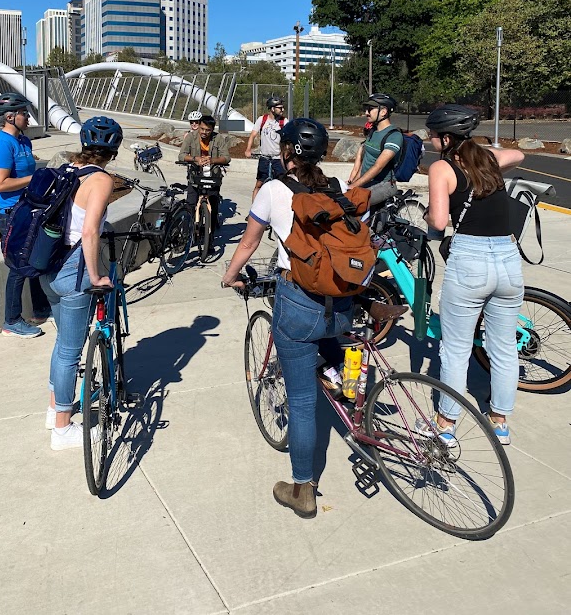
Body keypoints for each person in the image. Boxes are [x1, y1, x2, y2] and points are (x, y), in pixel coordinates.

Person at [221, 117, 402, 518]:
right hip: (341, 301)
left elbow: (249, 242)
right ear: (321, 154)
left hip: (298, 298)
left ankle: (302, 487)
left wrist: (230, 276)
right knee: (333, 343)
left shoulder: (272, 189)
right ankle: (349, 387)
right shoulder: (335, 190)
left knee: (302, 401)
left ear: (285, 150)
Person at [424, 104, 525, 445]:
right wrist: (483, 152)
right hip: (508, 259)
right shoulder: (489, 160)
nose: (430, 141)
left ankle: (446, 424)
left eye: (433, 136)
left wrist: (426, 216)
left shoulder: (442, 168)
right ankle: (500, 422)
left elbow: (439, 222)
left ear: (446, 138)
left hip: (470, 259)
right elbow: (519, 154)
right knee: (503, 348)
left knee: (455, 348)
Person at [39, 116, 122, 450]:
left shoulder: (68, 169)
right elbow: (88, 231)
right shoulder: (100, 179)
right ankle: (62, 429)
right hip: (73, 268)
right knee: (71, 352)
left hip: (47, 264)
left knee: (62, 346)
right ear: (113, 150)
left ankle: (53, 409)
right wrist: (95, 275)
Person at [0, 92, 51, 338]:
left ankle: (41, 309)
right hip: (12, 214)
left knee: (36, 260)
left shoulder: (24, 141)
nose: (28, 117)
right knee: (18, 268)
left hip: (29, 210)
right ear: (9, 117)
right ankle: (11, 321)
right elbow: (0, 184)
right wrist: (34, 178)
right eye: (24, 113)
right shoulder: (2, 144)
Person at [348, 93, 403, 207]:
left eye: (370, 109)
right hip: (367, 182)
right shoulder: (373, 132)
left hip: (384, 185)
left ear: (383, 111)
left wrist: (354, 187)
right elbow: (365, 162)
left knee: (353, 204)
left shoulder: (394, 136)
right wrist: (352, 182)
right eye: (366, 109)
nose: (366, 113)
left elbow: (378, 166)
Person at [178, 115, 231, 229]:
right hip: (195, 175)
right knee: (191, 204)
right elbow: (182, 155)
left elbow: (226, 157)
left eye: (208, 130)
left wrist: (212, 160)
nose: (204, 132)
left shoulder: (218, 138)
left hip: (213, 175)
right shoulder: (191, 137)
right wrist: (195, 159)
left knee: (213, 204)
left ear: (212, 129)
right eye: (202, 129)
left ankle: (210, 238)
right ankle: (189, 231)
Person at [245, 95, 287, 201]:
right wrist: (248, 149)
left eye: (282, 107)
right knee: (259, 184)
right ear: (272, 109)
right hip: (265, 158)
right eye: (280, 108)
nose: (283, 109)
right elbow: (253, 135)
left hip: (278, 159)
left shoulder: (284, 121)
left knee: (282, 184)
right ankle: (253, 211)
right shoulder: (262, 119)